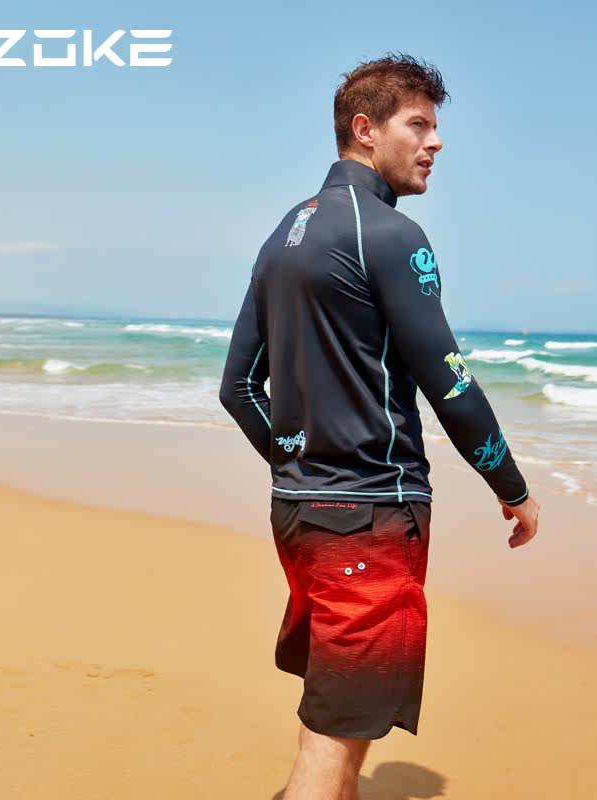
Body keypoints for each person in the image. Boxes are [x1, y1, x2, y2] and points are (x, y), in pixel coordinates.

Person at [220, 52, 541, 800]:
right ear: (365, 130)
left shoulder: (286, 233)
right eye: (418, 125)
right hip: (368, 518)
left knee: (343, 712)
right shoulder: (394, 236)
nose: (435, 143)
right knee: (333, 737)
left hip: (300, 513)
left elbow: (239, 388)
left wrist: (300, 465)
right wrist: (512, 487)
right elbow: (449, 382)